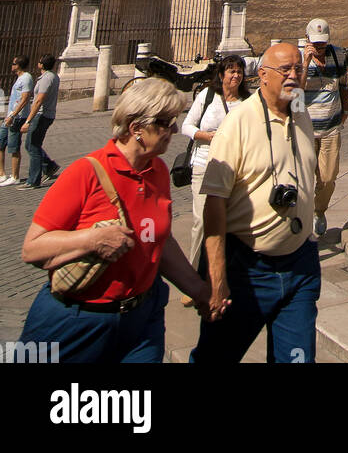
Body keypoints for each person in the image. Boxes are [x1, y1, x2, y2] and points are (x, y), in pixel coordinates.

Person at [17, 76, 215, 362]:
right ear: (136, 128)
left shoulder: (157, 170)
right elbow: (32, 249)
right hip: (77, 320)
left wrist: (200, 291)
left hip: (142, 321)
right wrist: (92, 239)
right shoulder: (85, 172)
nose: (173, 129)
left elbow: (159, 240)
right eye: (165, 122)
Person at [190, 40, 320, 365]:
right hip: (248, 270)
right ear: (262, 74)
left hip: (300, 265)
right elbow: (213, 205)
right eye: (285, 70)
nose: (294, 76)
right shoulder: (236, 124)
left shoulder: (301, 110)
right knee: (215, 358)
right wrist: (217, 279)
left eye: (298, 69)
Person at [180, 55, 249, 278]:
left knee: (232, 221)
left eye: (239, 71)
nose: (236, 75)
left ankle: (223, 272)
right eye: (231, 71)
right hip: (204, 165)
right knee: (201, 221)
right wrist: (207, 136)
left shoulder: (247, 101)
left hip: (233, 168)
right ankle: (194, 275)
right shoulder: (207, 96)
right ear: (222, 74)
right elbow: (186, 126)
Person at [301, 17, 348, 237]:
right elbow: (295, 95)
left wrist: (345, 110)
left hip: (331, 128)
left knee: (328, 178)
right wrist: (304, 63)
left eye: (323, 43)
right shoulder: (300, 59)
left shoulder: (337, 55)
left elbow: (345, 85)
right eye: (316, 43)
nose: (320, 47)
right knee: (303, 178)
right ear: (307, 39)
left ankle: (319, 210)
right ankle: (302, 215)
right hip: (305, 130)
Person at [21, 53, 60, 189]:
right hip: (46, 115)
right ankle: (49, 166)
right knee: (33, 144)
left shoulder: (46, 78)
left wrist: (28, 120)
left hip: (41, 115)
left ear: (41, 64)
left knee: (32, 146)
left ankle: (33, 180)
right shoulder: (53, 76)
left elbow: (38, 100)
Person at [0, 55, 33, 186]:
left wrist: (13, 115)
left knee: (14, 147)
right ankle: (2, 174)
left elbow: (25, 99)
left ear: (18, 65)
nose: (12, 65)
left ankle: (15, 176)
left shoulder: (26, 78)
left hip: (17, 117)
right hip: (10, 116)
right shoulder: (20, 78)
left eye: (13, 63)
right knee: (1, 142)